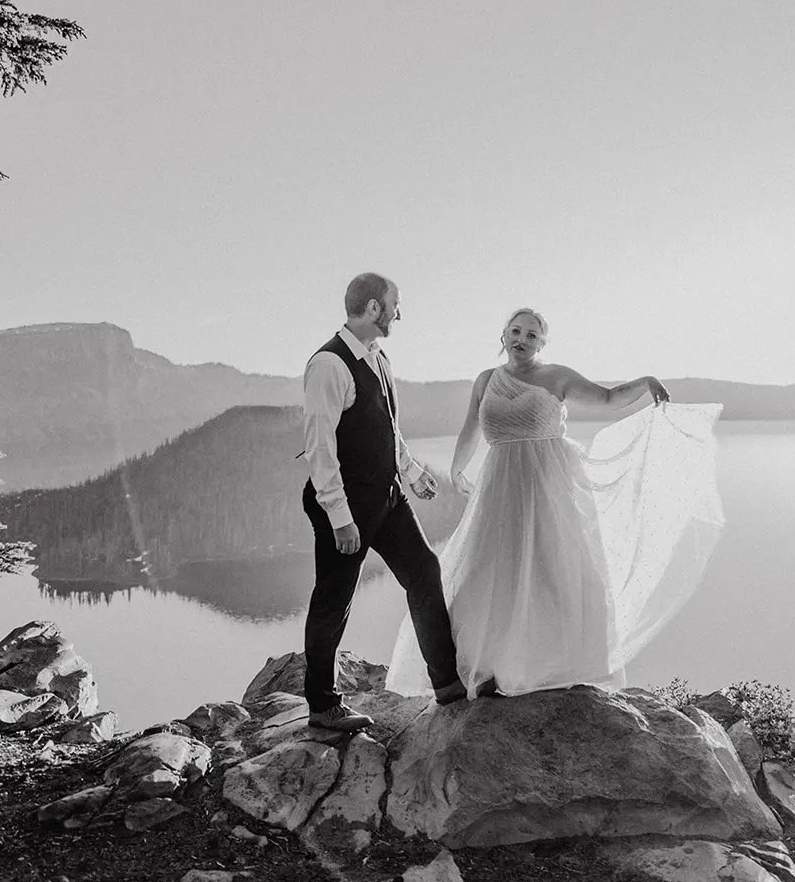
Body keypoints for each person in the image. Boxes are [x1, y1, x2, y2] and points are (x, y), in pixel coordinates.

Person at [387, 307, 725, 698]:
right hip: (499, 491)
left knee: (550, 573)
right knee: (492, 572)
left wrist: (645, 383)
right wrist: (458, 469)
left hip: (549, 488)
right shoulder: (486, 380)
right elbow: (471, 427)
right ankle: (493, 664)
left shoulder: (557, 377)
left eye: (532, 335)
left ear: (542, 342)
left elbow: (609, 398)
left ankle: (553, 666)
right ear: (504, 335)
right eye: (516, 331)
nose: (522, 340)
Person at [301, 272, 465, 730]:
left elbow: (386, 429)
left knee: (424, 572)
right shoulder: (329, 365)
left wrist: (412, 474)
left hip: (388, 500)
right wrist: (339, 517)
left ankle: (448, 685)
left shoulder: (378, 356)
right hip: (347, 509)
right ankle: (322, 707)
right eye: (395, 305)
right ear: (374, 308)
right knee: (334, 602)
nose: (398, 314)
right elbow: (320, 450)